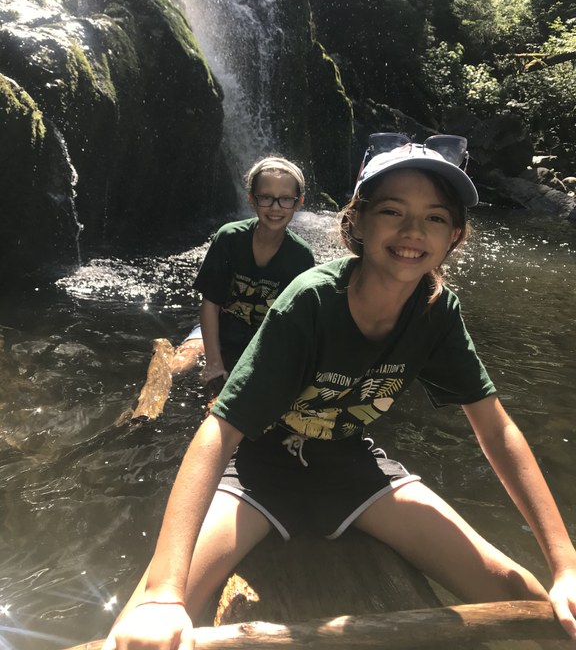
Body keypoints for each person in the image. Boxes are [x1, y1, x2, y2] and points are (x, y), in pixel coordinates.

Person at [104, 135, 576, 650]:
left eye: (435, 218)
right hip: (259, 473)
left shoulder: (437, 312)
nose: (413, 230)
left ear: (455, 236)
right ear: (356, 222)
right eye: (393, 211)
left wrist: (565, 564)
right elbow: (220, 430)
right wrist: (165, 594)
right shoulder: (309, 301)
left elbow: (496, 427)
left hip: (354, 470)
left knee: (528, 600)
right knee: (141, 626)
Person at [167, 156, 315, 391]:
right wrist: (214, 363)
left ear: (299, 203)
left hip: (260, 340)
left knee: (224, 397)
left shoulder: (301, 257)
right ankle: (143, 405)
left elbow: (293, 326)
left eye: (286, 199)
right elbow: (210, 304)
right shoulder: (229, 238)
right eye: (265, 197)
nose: (275, 207)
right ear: (251, 200)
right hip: (217, 326)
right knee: (182, 361)